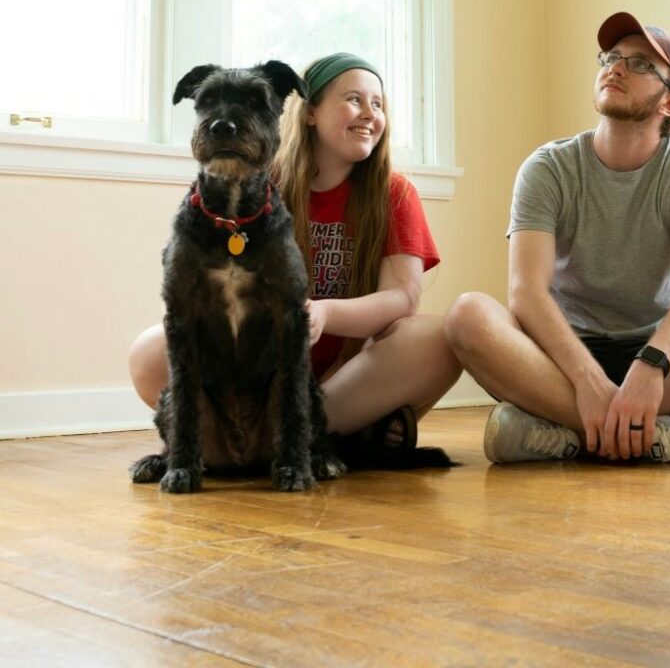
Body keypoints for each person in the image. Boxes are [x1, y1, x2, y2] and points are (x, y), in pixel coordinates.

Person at [444, 12, 670, 464]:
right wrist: (586, 379)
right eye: (612, 57)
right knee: (467, 316)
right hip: (563, 356)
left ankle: (563, 435)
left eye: (641, 64)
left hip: (661, 355)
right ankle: (664, 436)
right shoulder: (548, 167)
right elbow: (526, 292)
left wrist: (651, 366)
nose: (617, 67)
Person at [129, 52, 461, 461]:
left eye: (378, 104)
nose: (369, 114)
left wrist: (324, 314)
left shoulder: (395, 193)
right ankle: (322, 439)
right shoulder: (257, 182)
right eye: (354, 99)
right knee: (148, 351)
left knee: (439, 338)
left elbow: (402, 299)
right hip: (255, 372)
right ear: (309, 112)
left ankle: (294, 435)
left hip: (347, 374)